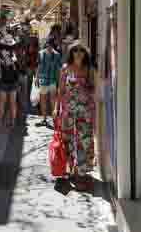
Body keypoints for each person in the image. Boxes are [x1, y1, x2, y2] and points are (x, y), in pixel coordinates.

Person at [54, 41, 96, 191]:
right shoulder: (65, 69)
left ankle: (81, 173)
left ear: (85, 53)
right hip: (68, 112)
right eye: (75, 50)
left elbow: (94, 89)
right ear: (71, 53)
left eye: (81, 50)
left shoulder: (88, 69)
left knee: (84, 141)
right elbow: (60, 90)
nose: (78, 53)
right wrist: (56, 109)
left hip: (85, 111)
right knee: (68, 140)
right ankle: (71, 171)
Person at [35, 37, 62, 127]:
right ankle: (44, 119)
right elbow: (38, 66)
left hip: (52, 79)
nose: (49, 46)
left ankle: (54, 119)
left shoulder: (57, 55)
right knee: (43, 100)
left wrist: (60, 81)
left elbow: (59, 69)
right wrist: (36, 78)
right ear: (46, 44)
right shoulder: (41, 53)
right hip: (44, 80)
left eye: (51, 44)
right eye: (48, 44)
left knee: (52, 100)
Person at [0, 34, 19, 129]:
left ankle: (0, 123)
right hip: (13, 81)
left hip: (3, 81)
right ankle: (12, 122)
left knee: (2, 103)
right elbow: (16, 68)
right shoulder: (13, 54)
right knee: (13, 103)